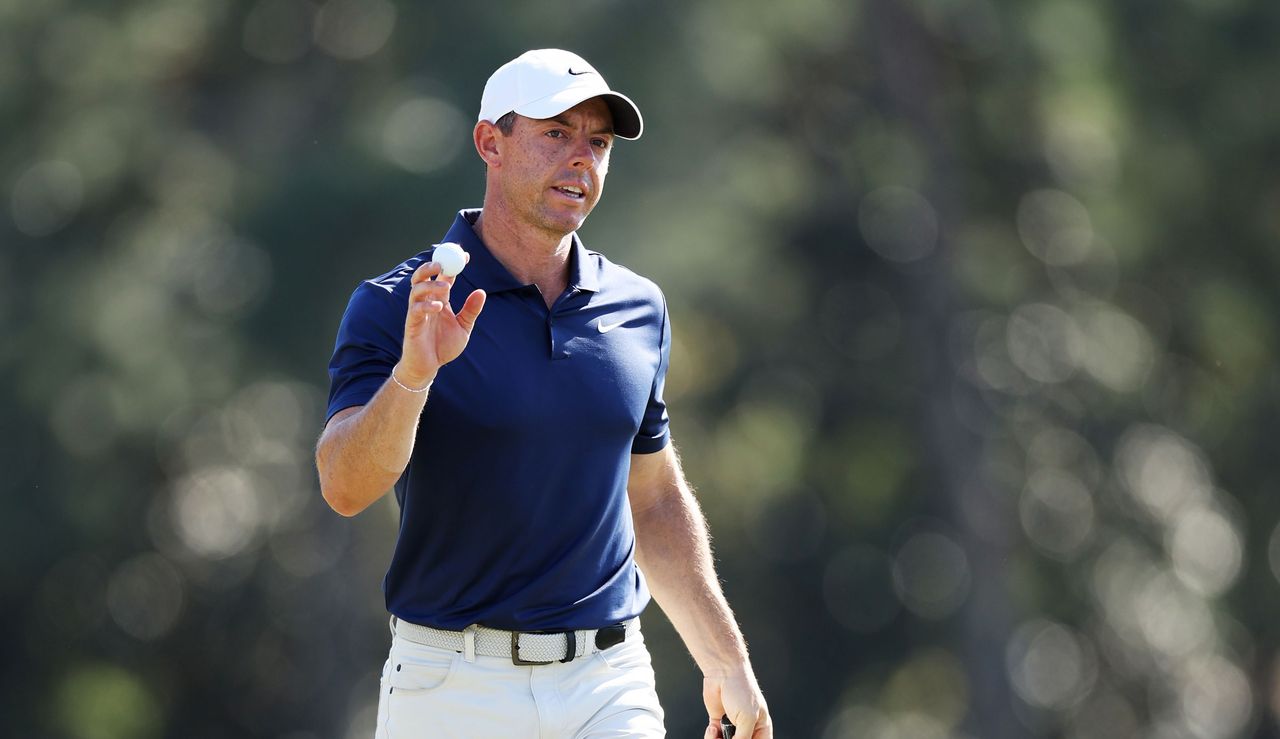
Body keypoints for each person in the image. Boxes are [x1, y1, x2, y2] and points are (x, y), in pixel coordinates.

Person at [316, 48, 771, 739]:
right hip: (449, 686)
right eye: (557, 133)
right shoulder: (399, 304)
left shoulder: (637, 308)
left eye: (599, 141)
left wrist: (726, 660)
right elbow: (344, 485)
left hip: (607, 680)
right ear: (489, 143)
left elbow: (651, 497)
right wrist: (413, 374)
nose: (582, 158)